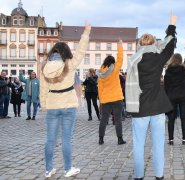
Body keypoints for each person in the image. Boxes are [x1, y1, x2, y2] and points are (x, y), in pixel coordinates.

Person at [125, 13, 177, 180]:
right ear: (153, 44)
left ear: (140, 44)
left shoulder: (134, 60)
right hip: (157, 107)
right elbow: (169, 47)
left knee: (138, 145)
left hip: (139, 107)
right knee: (158, 145)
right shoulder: (157, 58)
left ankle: (138, 176)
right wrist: (172, 26)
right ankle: (159, 176)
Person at [40, 21, 91, 178]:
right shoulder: (69, 63)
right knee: (66, 139)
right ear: (66, 52)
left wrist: (44, 105)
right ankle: (68, 169)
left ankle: (48, 170)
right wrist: (86, 32)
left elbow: (43, 89)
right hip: (68, 105)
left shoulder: (44, 66)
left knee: (50, 140)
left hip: (52, 105)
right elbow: (81, 51)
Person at [98, 41, 126, 145]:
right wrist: (119, 46)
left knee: (104, 120)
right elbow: (120, 58)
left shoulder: (101, 72)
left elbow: (100, 87)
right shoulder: (115, 68)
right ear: (113, 62)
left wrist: (101, 99)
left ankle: (101, 139)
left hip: (106, 99)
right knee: (118, 119)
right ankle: (120, 139)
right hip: (117, 98)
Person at [164, 38, 185, 145]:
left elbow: (165, 87)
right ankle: (184, 139)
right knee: (184, 118)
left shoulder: (168, 71)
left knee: (171, 119)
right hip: (183, 97)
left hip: (171, 97)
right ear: (180, 60)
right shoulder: (183, 68)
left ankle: (171, 140)